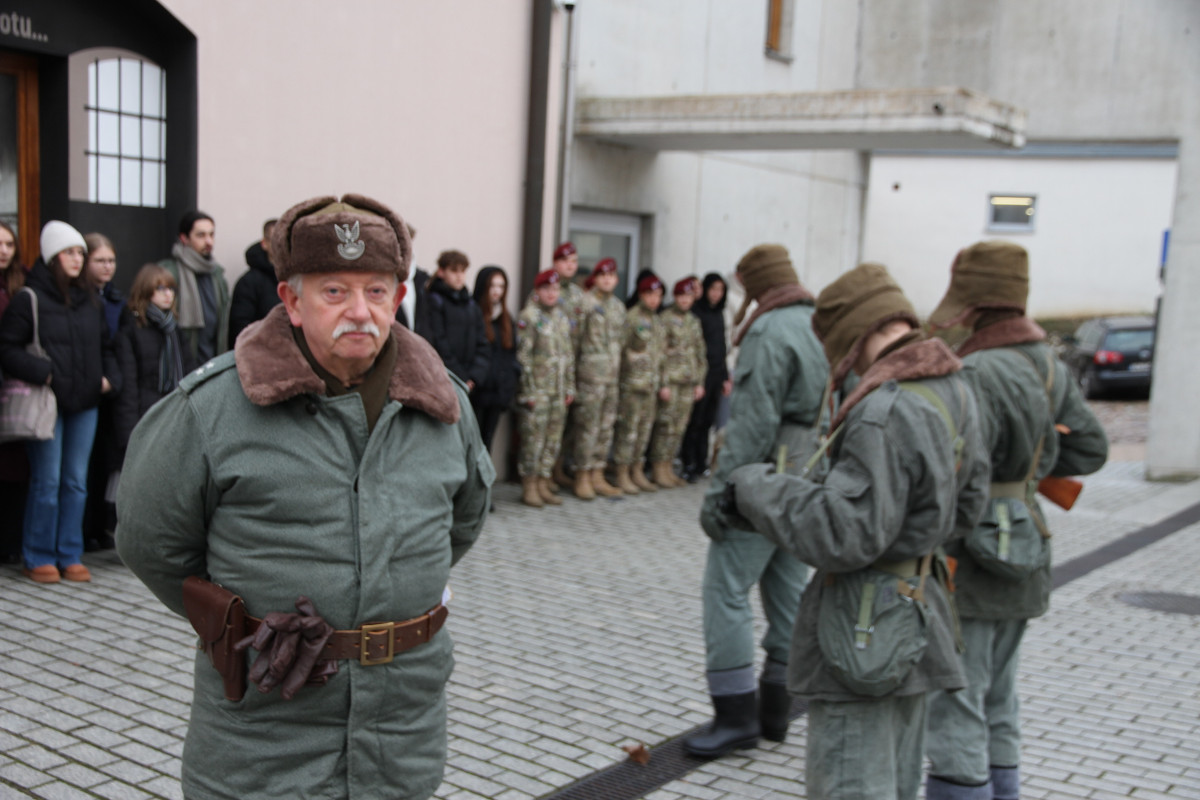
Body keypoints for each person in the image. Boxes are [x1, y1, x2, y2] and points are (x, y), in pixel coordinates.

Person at [116, 194, 493, 800]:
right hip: (265, 732)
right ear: (291, 301)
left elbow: (464, 520)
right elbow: (149, 540)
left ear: (398, 298)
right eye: (334, 291)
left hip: (401, 727)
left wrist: (389, 584)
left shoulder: (444, 406)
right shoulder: (211, 409)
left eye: (376, 291)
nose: (359, 312)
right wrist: (232, 620)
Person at [721, 262, 991, 799]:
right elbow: (970, 507)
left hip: (864, 632)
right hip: (917, 613)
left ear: (858, 336)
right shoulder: (954, 390)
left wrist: (756, 488)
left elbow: (844, 535)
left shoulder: (883, 411)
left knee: (851, 785)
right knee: (896, 783)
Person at [923, 241, 1108, 800]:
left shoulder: (976, 369)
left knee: (957, 695)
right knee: (1000, 693)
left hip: (973, 548)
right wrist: (1034, 466)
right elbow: (1092, 449)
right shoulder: (1048, 363)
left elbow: (958, 468)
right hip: (1028, 538)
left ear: (975, 304)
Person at [685, 245, 827, 758]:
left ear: (756, 285)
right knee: (787, 588)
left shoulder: (768, 331)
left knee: (724, 589)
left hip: (766, 478)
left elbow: (752, 425)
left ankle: (735, 715)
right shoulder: (818, 323)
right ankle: (775, 712)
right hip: (806, 476)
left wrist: (721, 493)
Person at [0, 221, 118, 583]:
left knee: (76, 482)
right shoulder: (29, 298)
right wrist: (45, 373)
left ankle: (69, 553)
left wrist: (108, 378)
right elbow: (7, 348)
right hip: (47, 402)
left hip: (85, 402)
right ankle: (38, 555)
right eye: (70, 252)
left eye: (81, 252)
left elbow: (106, 346)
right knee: (47, 482)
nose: (78, 259)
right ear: (53, 256)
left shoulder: (91, 300)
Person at [82, 233, 130, 551]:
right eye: (100, 260)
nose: (107, 266)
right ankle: (84, 529)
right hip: (84, 389)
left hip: (111, 391)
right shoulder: (81, 298)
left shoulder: (117, 301)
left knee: (104, 463)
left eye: (111, 260)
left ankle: (99, 527)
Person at [113, 264, 184, 460]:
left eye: (171, 288)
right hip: (144, 416)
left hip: (173, 413)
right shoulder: (131, 329)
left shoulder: (173, 329)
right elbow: (128, 387)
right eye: (160, 289)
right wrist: (130, 436)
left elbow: (188, 372)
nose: (168, 294)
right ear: (145, 291)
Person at [516, 269, 574, 508]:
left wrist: (569, 387)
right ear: (538, 291)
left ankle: (543, 481)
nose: (552, 293)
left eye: (555, 289)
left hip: (557, 391)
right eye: (547, 289)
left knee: (552, 439)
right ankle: (529, 485)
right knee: (534, 440)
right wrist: (528, 391)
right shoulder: (529, 316)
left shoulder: (561, 316)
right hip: (538, 391)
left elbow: (567, 355)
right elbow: (523, 357)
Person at [570, 257, 626, 499]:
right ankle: (582, 475)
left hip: (611, 377)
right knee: (587, 428)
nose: (607, 280)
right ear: (595, 278)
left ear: (616, 279)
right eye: (602, 275)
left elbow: (621, 342)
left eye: (611, 276)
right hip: (590, 378)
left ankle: (598, 474)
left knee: (605, 427)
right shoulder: (585, 303)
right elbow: (574, 341)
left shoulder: (618, 307)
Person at [648, 276, 706, 488]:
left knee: (679, 426)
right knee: (665, 425)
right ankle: (658, 467)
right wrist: (663, 383)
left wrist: (699, 382)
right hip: (671, 381)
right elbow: (659, 353)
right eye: (681, 296)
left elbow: (700, 353)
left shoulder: (693, 321)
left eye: (688, 296)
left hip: (687, 382)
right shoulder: (665, 318)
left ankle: (668, 466)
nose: (684, 300)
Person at [612, 274, 665, 495]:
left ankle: (637, 470)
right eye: (650, 294)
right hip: (632, 385)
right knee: (628, 430)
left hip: (650, 385)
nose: (654, 300)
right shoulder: (631, 317)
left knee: (643, 430)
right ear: (641, 295)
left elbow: (659, 355)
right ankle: (621, 472)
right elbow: (621, 349)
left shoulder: (657, 321)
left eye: (658, 295)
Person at [159, 210, 230, 371]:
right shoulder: (169, 272)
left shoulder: (217, 275)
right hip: (179, 366)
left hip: (212, 366)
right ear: (184, 238)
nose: (209, 241)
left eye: (211, 235)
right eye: (201, 235)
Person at [681, 272, 731, 481]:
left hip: (717, 373)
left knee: (708, 420)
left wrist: (725, 377)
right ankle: (688, 462)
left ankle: (702, 462)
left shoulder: (719, 314)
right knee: (696, 419)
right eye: (713, 289)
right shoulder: (696, 313)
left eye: (720, 290)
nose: (716, 294)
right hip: (701, 374)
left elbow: (722, 346)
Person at [0, 219, 28, 564]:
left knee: (13, 470)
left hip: (16, 389)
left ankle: (9, 543)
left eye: (9, 244)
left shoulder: (22, 286)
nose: (3, 250)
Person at [470, 265, 518, 452]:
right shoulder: (474, 314)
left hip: (497, 394)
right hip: (477, 393)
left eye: (501, 286)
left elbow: (510, 356)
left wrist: (508, 387)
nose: (497, 291)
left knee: (487, 442)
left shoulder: (506, 319)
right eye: (493, 286)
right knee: (472, 443)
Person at [427, 249, 489, 391]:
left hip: (470, 381)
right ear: (441, 272)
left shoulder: (471, 305)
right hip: (444, 378)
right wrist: (461, 376)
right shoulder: (434, 301)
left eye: (463, 271)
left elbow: (482, 343)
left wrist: (475, 376)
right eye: (454, 271)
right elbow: (438, 342)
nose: (459, 276)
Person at [227, 218, 281, 344]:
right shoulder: (248, 283)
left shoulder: (296, 278)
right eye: (275, 240)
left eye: (285, 240)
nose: (281, 245)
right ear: (264, 243)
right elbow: (240, 329)